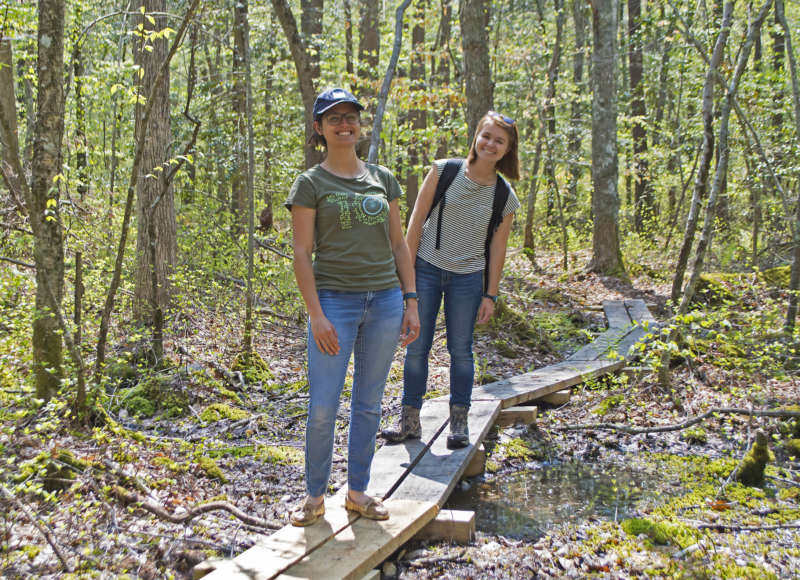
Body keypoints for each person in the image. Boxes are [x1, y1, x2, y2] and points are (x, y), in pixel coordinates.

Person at [285, 88, 420, 527]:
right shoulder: (310, 183)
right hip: (334, 305)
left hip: (383, 302)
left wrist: (411, 301)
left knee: (368, 403)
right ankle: (313, 496)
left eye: (351, 117)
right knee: (323, 405)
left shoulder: (384, 178)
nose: (345, 124)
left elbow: (399, 244)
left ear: (360, 126)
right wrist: (316, 314)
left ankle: (358, 492)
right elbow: (302, 253)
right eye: (334, 118)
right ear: (319, 129)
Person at [382, 111, 521, 449]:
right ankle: (410, 421)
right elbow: (413, 229)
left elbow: (498, 250)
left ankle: (459, 423)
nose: (490, 144)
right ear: (476, 135)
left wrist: (491, 295)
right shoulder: (444, 171)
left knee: (461, 350)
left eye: (499, 141)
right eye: (486, 136)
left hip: (468, 278)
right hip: (426, 269)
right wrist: (408, 285)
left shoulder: (504, 196)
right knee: (416, 347)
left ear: (507, 150)